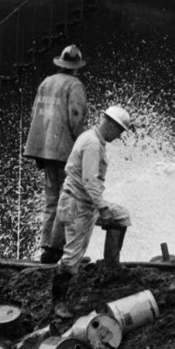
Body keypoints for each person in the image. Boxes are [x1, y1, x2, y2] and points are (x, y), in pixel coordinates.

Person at [49, 105, 135, 320]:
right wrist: (103, 208)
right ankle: (58, 303)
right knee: (71, 257)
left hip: (84, 201)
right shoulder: (93, 144)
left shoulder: (91, 137)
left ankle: (111, 268)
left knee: (122, 216)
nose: (119, 136)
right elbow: (89, 180)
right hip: (78, 204)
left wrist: (103, 207)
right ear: (112, 125)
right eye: (119, 131)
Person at [23, 45, 89, 264]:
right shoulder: (75, 85)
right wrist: (84, 146)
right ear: (76, 67)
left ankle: (46, 247)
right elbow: (76, 118)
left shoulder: (46, 82)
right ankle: (56, 249)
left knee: (51, 200)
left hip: (43, 149)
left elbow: (35, 114)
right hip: (64, 151)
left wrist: (38, 149)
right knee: (67, 198)